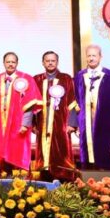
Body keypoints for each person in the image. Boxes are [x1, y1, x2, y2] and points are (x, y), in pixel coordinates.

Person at [74, 44, 110, 170]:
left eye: (94, 55)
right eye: (89, 56)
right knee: (86, 149)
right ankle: (87, 175)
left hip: (104, 120)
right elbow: (75, 99)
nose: (91, 58)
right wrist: (77, 122)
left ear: (100, 57)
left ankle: (104, 177)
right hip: (85, 121)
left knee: (103, 149)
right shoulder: (79, 76)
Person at [32, 51, 78, 181]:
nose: (50, 63)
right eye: (47, 61)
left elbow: (72, 102)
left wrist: (72, 123)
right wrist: (33, 125)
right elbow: (32, 104)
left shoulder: (66, 79)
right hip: (42, 123)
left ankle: (64, 181)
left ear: (57, 62)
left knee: (61, 152)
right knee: (43, 153)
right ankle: (44, 180)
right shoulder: (36, 79)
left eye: (53, 60)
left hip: (61, 123)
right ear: (43, 63)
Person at [0, 52, 42, 173]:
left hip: (18, 123)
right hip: (1, 124)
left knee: (17, 150)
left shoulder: (26, 78)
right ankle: (4, 176)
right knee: (1, 151)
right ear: (3, 63)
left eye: (13, 62)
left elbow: (30, 103)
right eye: (8, 62)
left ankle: (18, 178)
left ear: (17, 63)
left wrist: (25, 124)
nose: (10, 64)